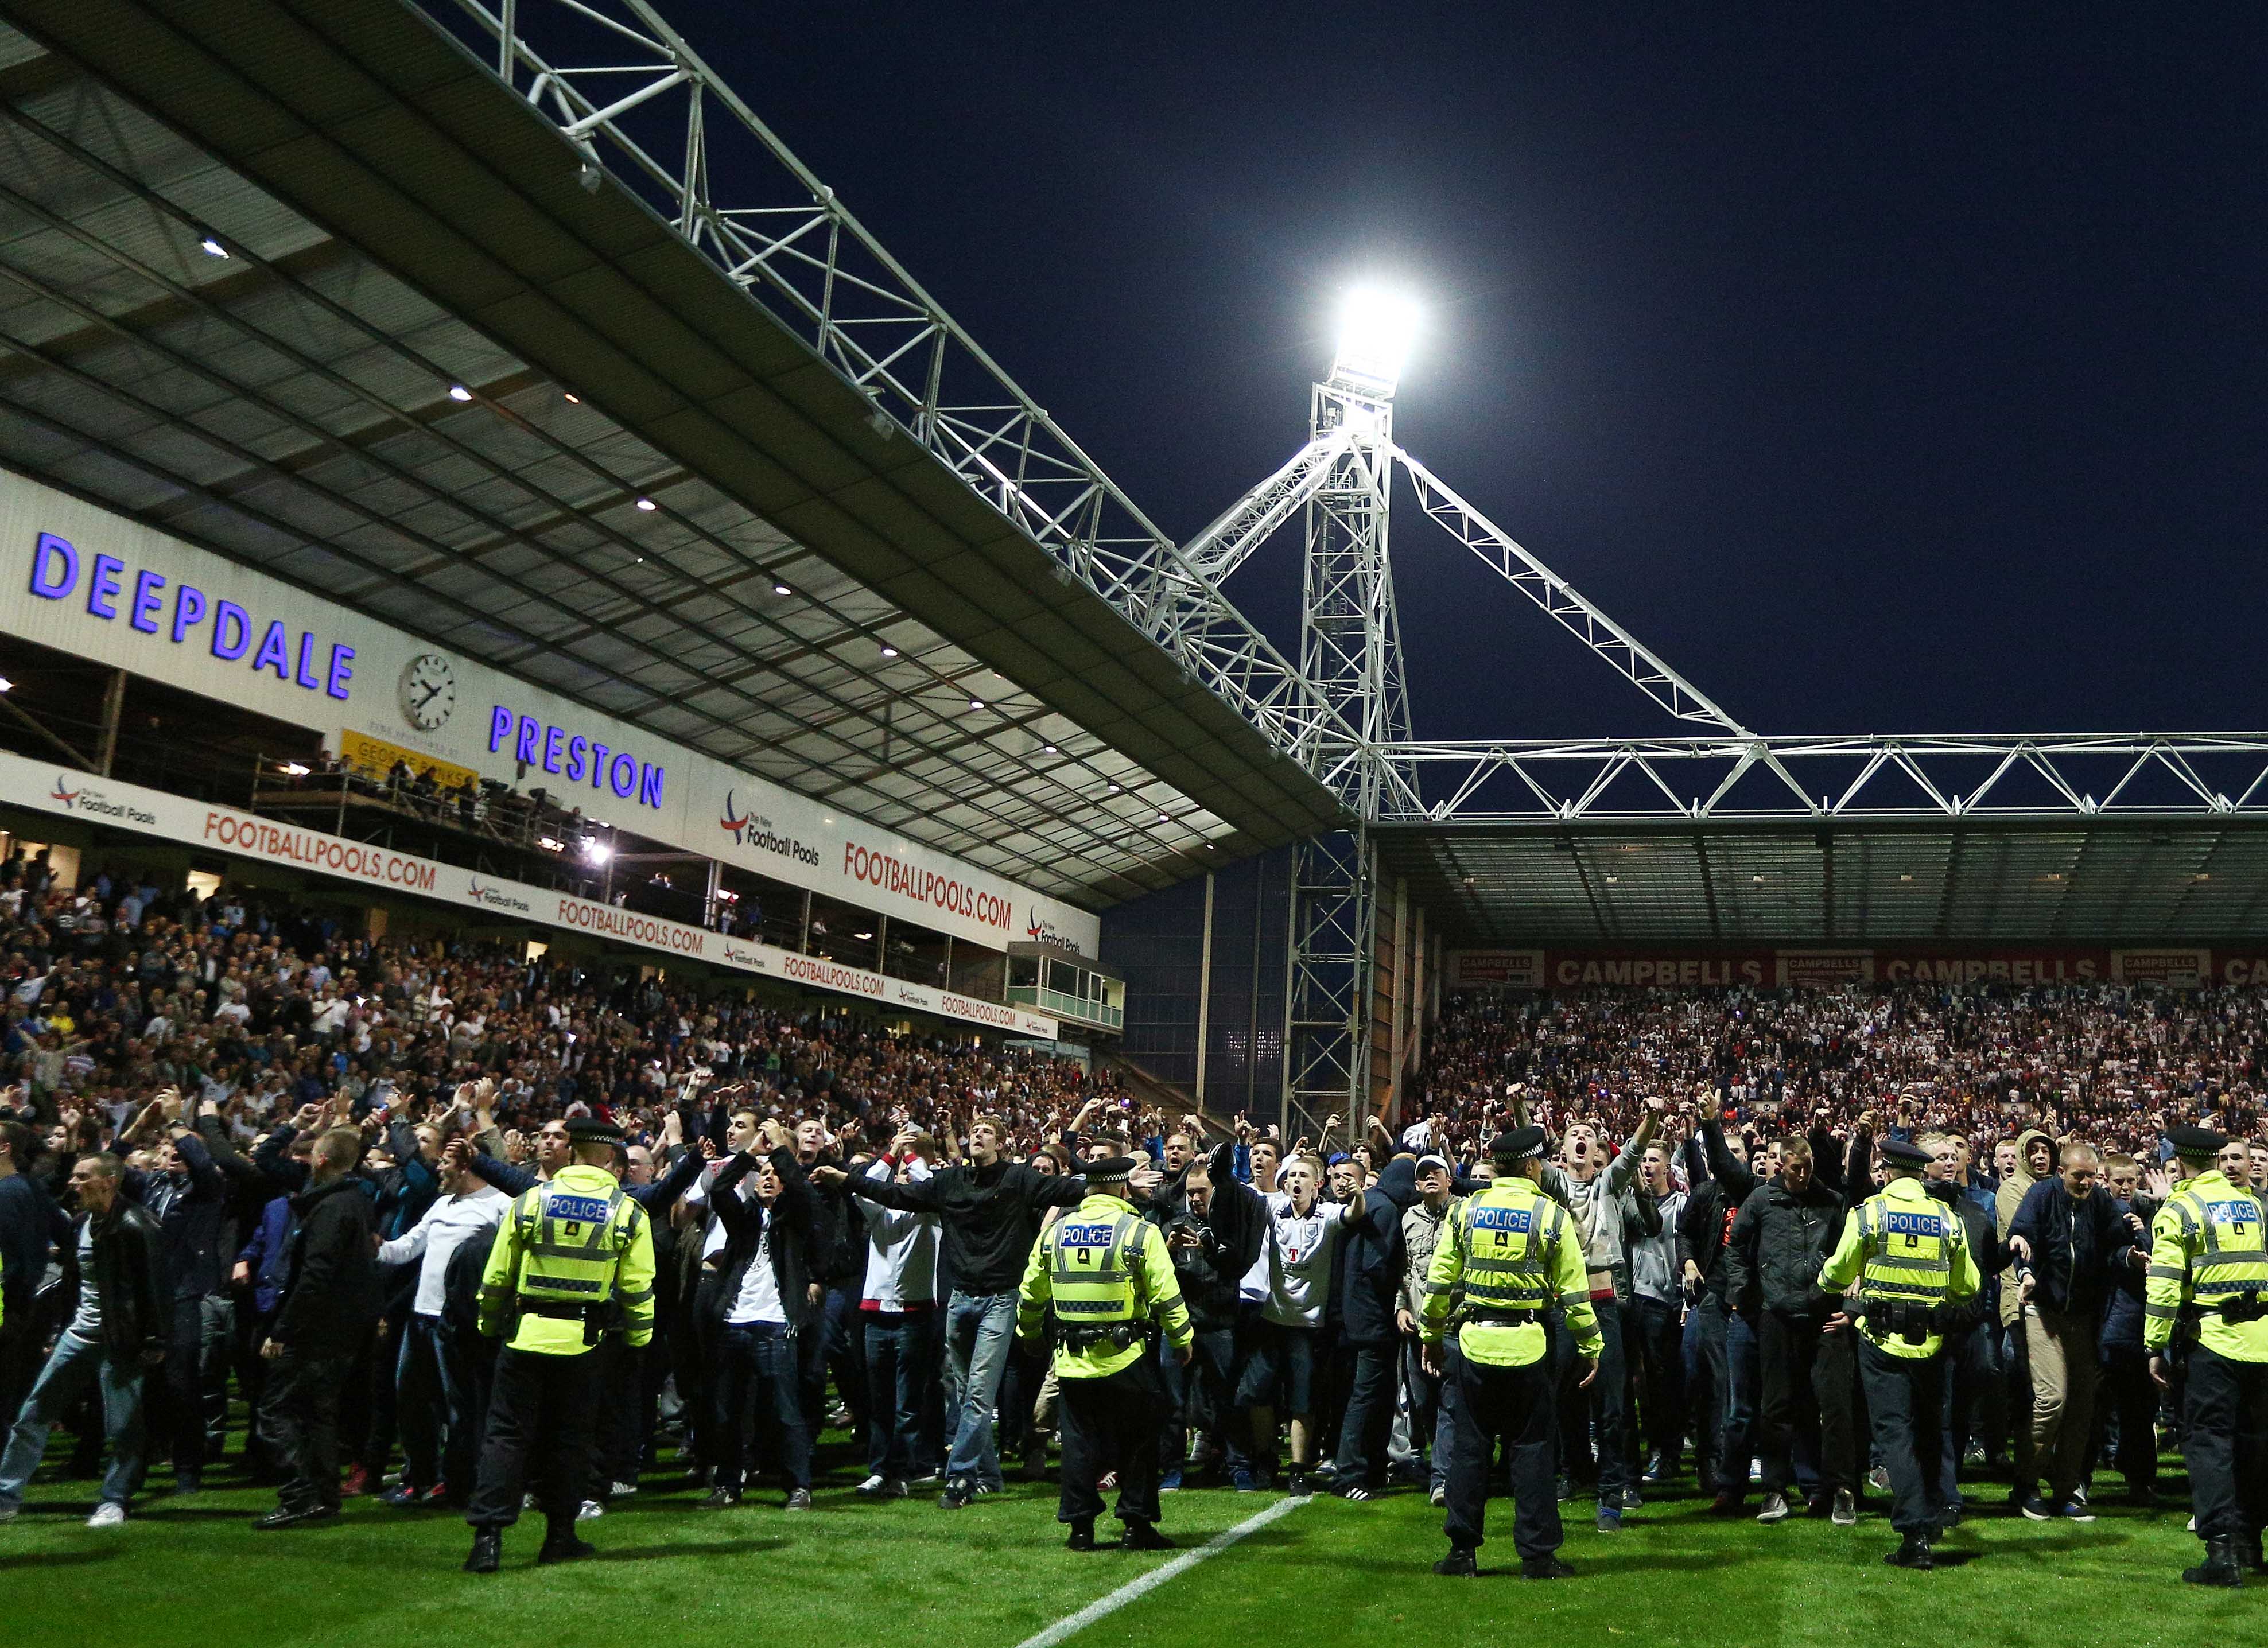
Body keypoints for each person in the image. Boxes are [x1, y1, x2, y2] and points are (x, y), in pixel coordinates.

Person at [817, 1114, 1085, 1510]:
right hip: (960, 1299)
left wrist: (1110, 1179)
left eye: (987, 1132)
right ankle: (989, 1476)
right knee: (964, 1392)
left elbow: (1066, 1188)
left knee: (977, 1393)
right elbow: (893, 1195)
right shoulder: (949, 1182)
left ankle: (960, 1476)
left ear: (1001, 1144)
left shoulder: (1018, 1179)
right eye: (974, 1131)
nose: (977, 1135)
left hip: (1000, 1299)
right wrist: (846, 1179)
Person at [463, 1117, 656, 1573]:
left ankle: (487, 1540)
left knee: (505, 1438)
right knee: (571, 1442)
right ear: (611, 1157)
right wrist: (638, 1340)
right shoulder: (627, 1212)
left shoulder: (533, 1200)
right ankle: (560, 1536)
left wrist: (490, 1324)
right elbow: (638, 1287)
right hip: (585, 1343)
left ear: (572, 1151)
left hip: (525, 1335)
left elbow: (497, 1274)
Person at [1419, 1125, 1600, 1579]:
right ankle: (1537, 1557)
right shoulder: (1551, 1215)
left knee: (1469, 1451)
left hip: (1474, 1344)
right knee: (1533, 1453)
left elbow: (1439, 1281)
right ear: (1533, 1166)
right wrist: (1591, 1346)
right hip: (1529, 1347)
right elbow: (1575, 1293)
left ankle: (1462, 1553)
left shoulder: (1465, 1211)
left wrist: (1431, 1336)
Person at [1816, 1136, 1982, 1571]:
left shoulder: (1870, 1214)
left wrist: (1827, 1280)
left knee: (1895, 1434)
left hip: (1882, 1341)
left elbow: (1837, 1273)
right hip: (1933, 1342)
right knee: (1930, 1434)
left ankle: (1915, 1533)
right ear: (1921, 1173)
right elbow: (1969, 1286)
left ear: (1887, 1170)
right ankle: (1933, 1514)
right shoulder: (1947, 1218)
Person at [1015, 1154, 1193, 1549]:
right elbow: (1166, 1294)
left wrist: (1030, 1335)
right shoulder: (1140, 1232)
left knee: (1078, 1445)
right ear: (1122, 1187)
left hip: (1071, 1360)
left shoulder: (1055, 1233)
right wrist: (1182, 1339)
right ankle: (1136, 1525)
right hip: (1126, 1357)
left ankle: (1080, 1529)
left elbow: (1030, 1293)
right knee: (1139, 1441)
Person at [0, 1153, 164, 1528]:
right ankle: (6, 1497)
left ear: (109, 1181)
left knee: (122, 1427)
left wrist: (155, 1339)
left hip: (120, 1340)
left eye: (83, 1177)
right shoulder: (81, 1224)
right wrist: (61, 1329)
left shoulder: (137, 1224)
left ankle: (114, 1501)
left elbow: (155, 1287)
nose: (74, 1184)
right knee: (33, 1414)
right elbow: (74, 1284)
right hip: (78, 1335)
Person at [2143, 1124, 2268, 1587]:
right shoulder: (2253, 1205)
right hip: (2261, 1341)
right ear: (2217, 1159)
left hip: (2213, 1342)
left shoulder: (2180, 1208)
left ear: (2179, 1162)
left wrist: (2154, 1345)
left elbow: (2163, 1285)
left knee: (2209, 1444)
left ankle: (2221, 1553)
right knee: (2255, 1445)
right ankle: (2251, 1544)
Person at [253, 1125, 380, 1529]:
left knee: (279, 1409)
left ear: (320, 1159)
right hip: (341, 1328)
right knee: (318, 1413)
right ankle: (322, 1495)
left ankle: (300, 1495)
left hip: (317, 1330)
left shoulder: (331, 1208)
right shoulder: (355, 1202)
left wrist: (283, 1330)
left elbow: (315, 1277)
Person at [2006, 1140, 2141, 1522]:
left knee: (2082, 1405)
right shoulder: (2040, 1196)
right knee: (2052, 1399)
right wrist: (2026, 1273)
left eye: (2091, 1177)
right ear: (2061, 1172)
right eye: (2079, 1176)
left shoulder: (2099, 1202)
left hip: (2083, 1317)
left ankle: (2066, 1489)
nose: (2086, 1183)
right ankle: (2027, 1483)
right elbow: (2021, 1238)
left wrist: (2130, 1255)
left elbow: (2115, 1245)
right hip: (2043, 1311)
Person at [1724, 1133, 1855, 1525]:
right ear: (1781, 1165)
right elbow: (1736, 1246)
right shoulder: (1762, 1200)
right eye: (1797, 1168)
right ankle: (1774, 1490)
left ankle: (1841, 1489)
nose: (1804, 1174)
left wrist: (1851, 1307)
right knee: (1775, 1407)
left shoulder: (1832, 1202)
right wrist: (1743, 1295)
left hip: (1825, 1317)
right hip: (1777, 1315)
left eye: (1808, 1167)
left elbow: (1854, 1256)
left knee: (1835, 1406)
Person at [375, 1142, 509, 1507]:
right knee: (412, 1403)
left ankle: (459, 1483)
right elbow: (406, 1249)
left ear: (466, 1167)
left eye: (446, 1163)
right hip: (420, 1318)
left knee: (461, 1408)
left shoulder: (500, 1205)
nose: (438, 1169)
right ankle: (419, 1477)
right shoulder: (442, 1204)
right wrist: (377, 1246)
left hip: (459, 1324)